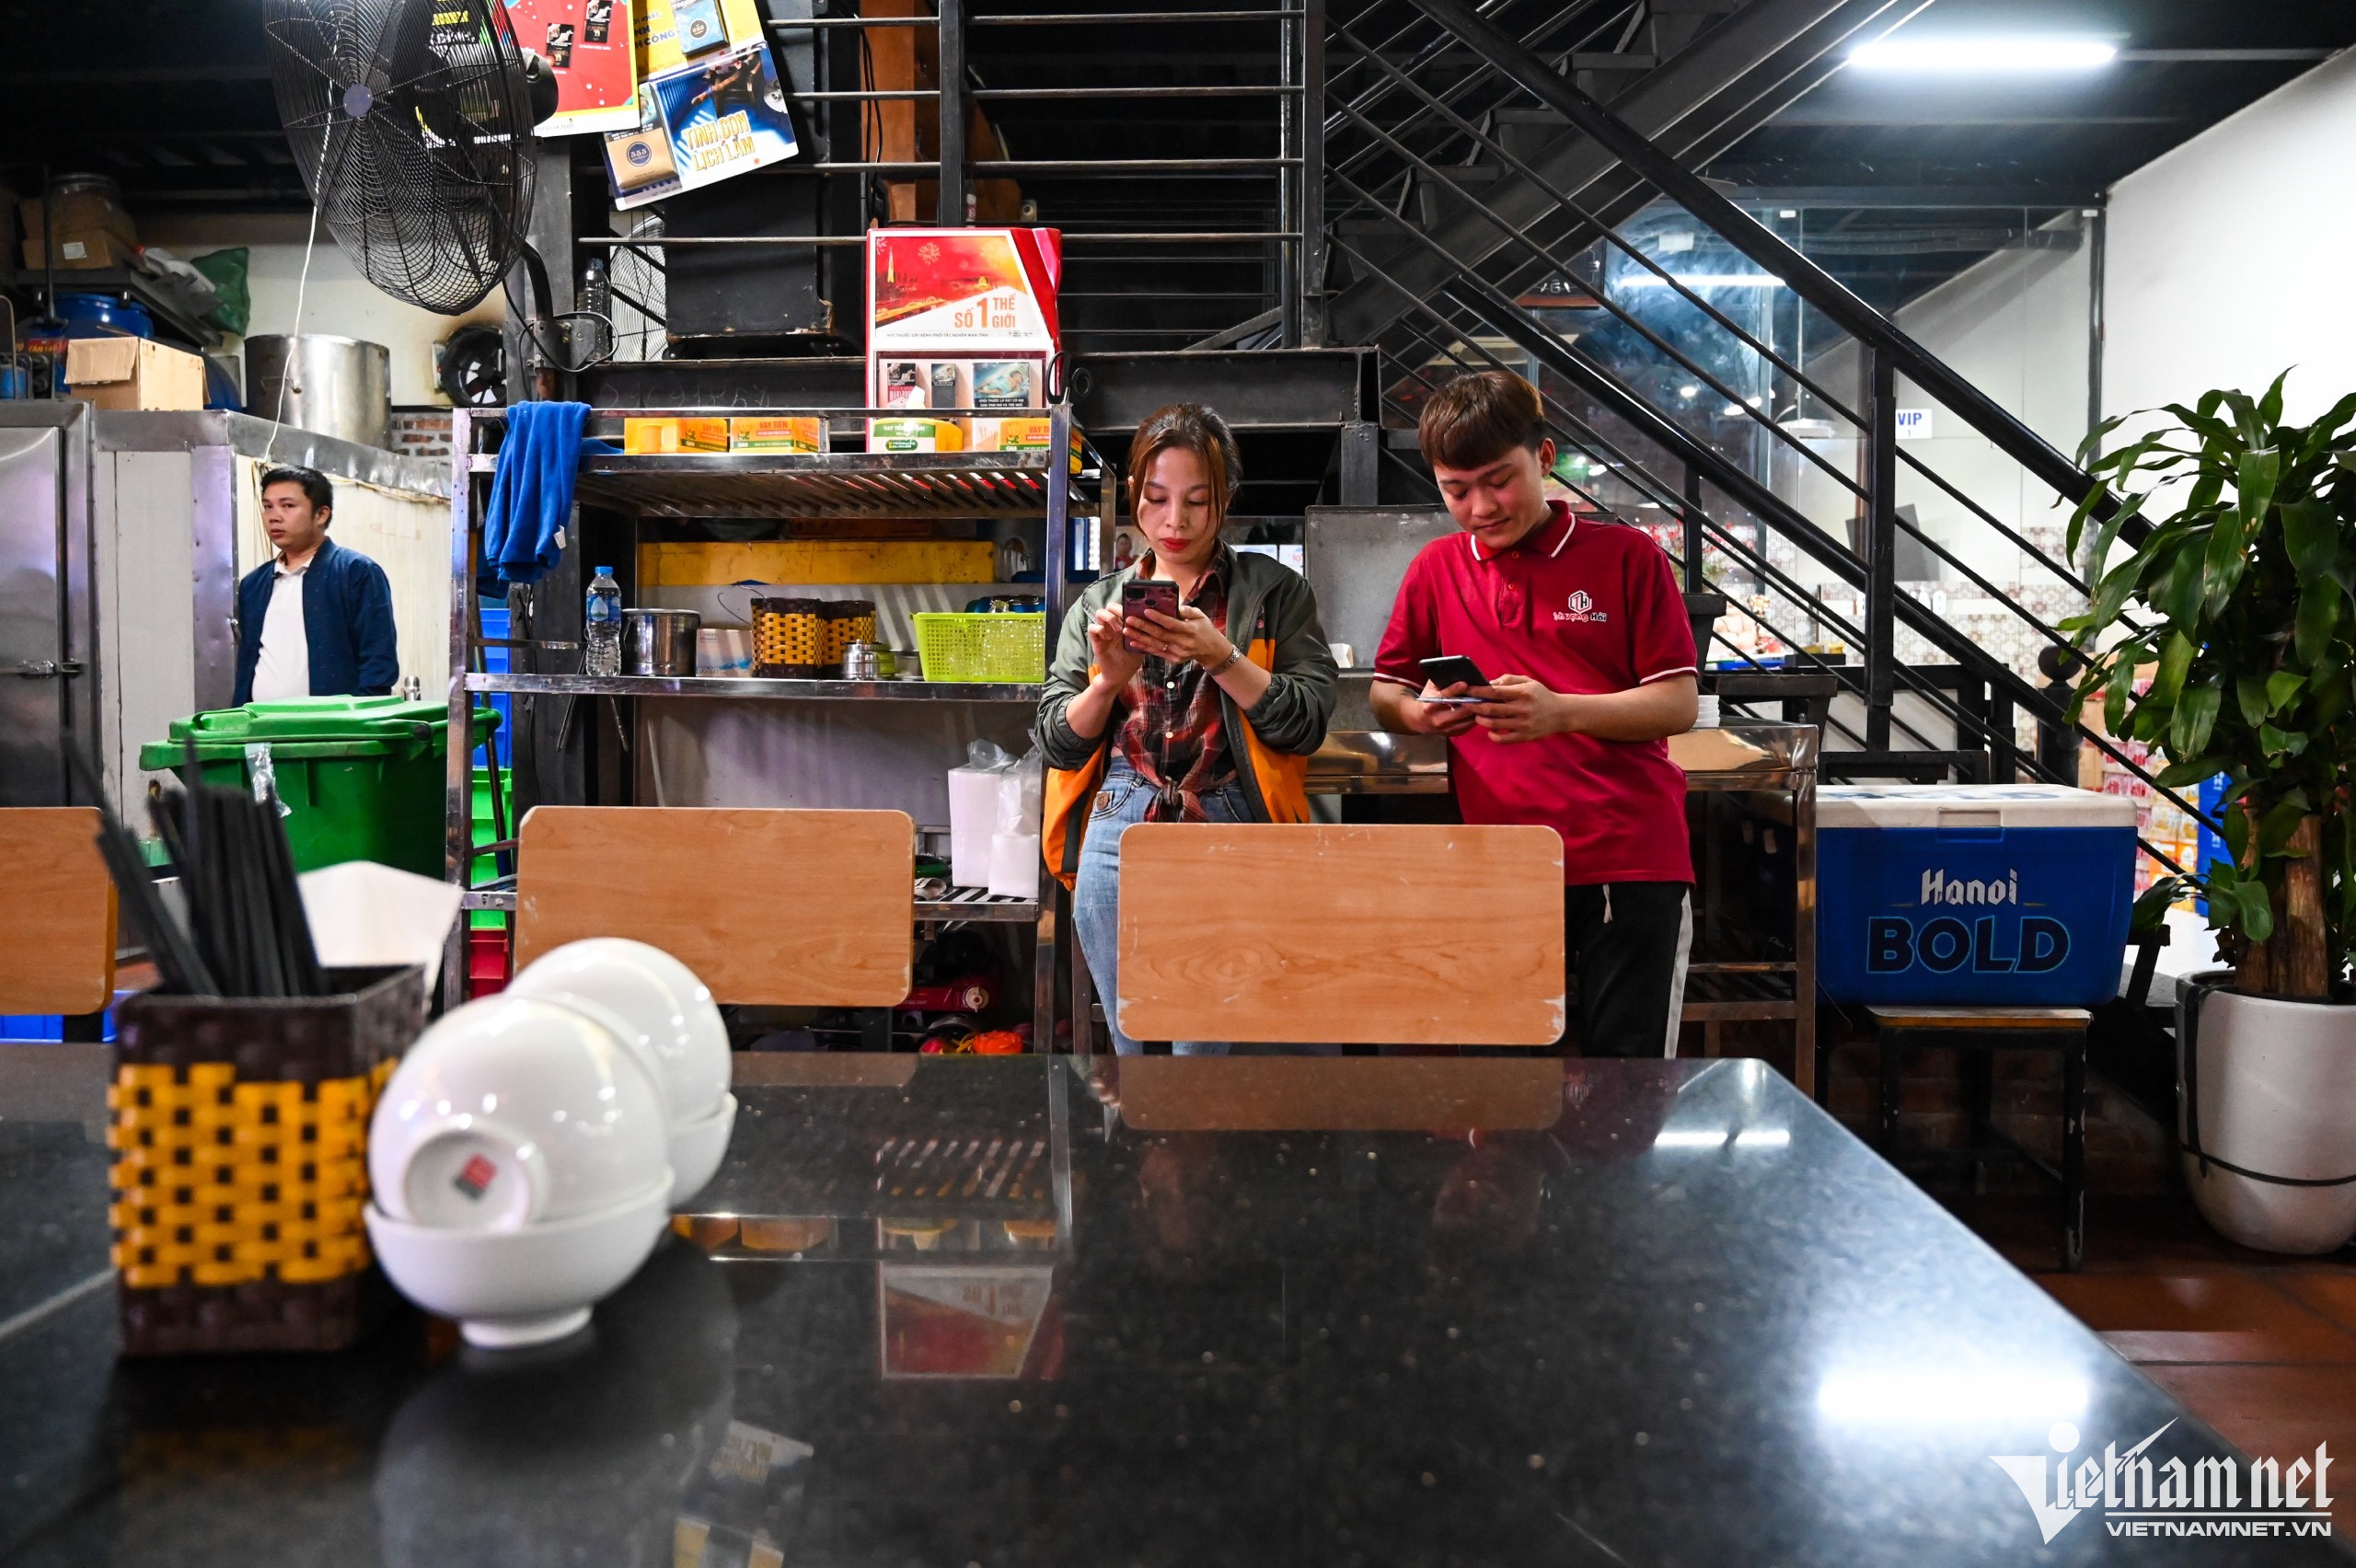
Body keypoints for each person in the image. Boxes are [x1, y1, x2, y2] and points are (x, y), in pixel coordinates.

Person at [1370, 371, 1699, 1057]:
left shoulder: (1627, 556)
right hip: (1502, 862)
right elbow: (1386, 691)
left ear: (1544, 458)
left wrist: (1561, 712)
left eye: (1499, 481)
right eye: (1456, 490)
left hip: (1626, 855)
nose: (1481, 507)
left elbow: (1677, 702)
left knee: (1628, 1080)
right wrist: (1421, 714)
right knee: (1508, 1081)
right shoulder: (1435, 568)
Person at [1038, 404, 1338, 1055]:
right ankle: (1140, 1125)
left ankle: (1195, 1123)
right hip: (1118, 820)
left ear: (1225, 499)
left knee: (1202, 1048)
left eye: (1198, 501)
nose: (1175, 521)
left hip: (1231, 813)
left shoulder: (1275, 593)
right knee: (1131, 1042)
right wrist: (1107, 683)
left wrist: (1221, 657)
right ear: (1133, 493)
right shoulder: (1098, 605)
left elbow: (1306, 722)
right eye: (1156, 499)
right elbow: (1057, 742)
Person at [233, 466, 400, 705]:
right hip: (262, 723)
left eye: (288, 506)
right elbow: (247, 666)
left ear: (321, 514)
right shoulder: (254, 584)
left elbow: (378, 662)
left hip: (330, 724)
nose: (274, 516)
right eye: (268, 506)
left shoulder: (356, 573)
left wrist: (356, 719)